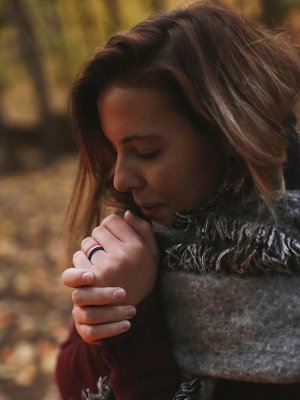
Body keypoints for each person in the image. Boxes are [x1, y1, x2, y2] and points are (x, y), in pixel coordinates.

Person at [55, 2, 300, 399]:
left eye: (146, 151)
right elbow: (68, 378)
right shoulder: (142, 236)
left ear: (228, 134)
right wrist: (103, 322)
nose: (120, 179)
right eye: (115, 151)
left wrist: (133, 329)